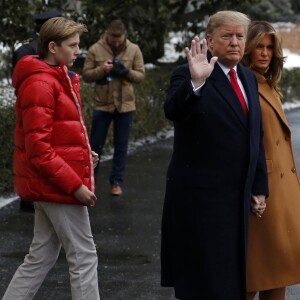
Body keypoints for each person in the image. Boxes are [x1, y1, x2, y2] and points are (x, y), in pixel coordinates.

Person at [161, 10, 269, 300]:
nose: (235, 42)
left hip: (236, 201)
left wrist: (259, 187)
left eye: (240, 36)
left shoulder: (247, 77)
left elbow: (254, 136)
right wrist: (196, 83)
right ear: (209, 40)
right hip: (199, 202)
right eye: (227, 36)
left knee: (232, 281)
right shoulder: (190, 73)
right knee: (202, 284)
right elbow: (174, 110)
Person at [2, 17, 100, 300]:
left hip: (49, 182)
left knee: (41, 256)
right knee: (83, 256)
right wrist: (74, 185)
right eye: (73, 45)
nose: (78, 51)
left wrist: (83, 155)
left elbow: (56, 135)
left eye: (78, 45)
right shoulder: (42, 83)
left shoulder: (55, 77)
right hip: (56, 186)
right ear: (53, 47)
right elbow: (39, 149)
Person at [242, 21, 300, 300]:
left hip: (281, 192)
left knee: (277, 274)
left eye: (269, 48)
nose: (264, 53)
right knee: (256, 273)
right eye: (258, 47)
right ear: (247, 49)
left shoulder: (267, 83)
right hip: (263, 192)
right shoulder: (246, 83)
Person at [82, 19, 145, 196]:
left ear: (125, 35)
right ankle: (90, 181)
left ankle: (116, 182)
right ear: (107, 34)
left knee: (121, 146)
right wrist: (102, 70)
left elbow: (140, 75)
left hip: (125, 106)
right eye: (113, 38)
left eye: (119, 38)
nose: (116, 42)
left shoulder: (134, 49)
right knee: (95, 146)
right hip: (102, 105)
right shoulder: (95, 49)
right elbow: (86, 75)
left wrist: (126, 71)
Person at [12, 9, 62, 212]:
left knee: (31, 151)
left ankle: (30, 198)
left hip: (29, 109)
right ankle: (30, 199)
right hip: (35, 108)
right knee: (35, 152)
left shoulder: (26, 46)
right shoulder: (30, 50)